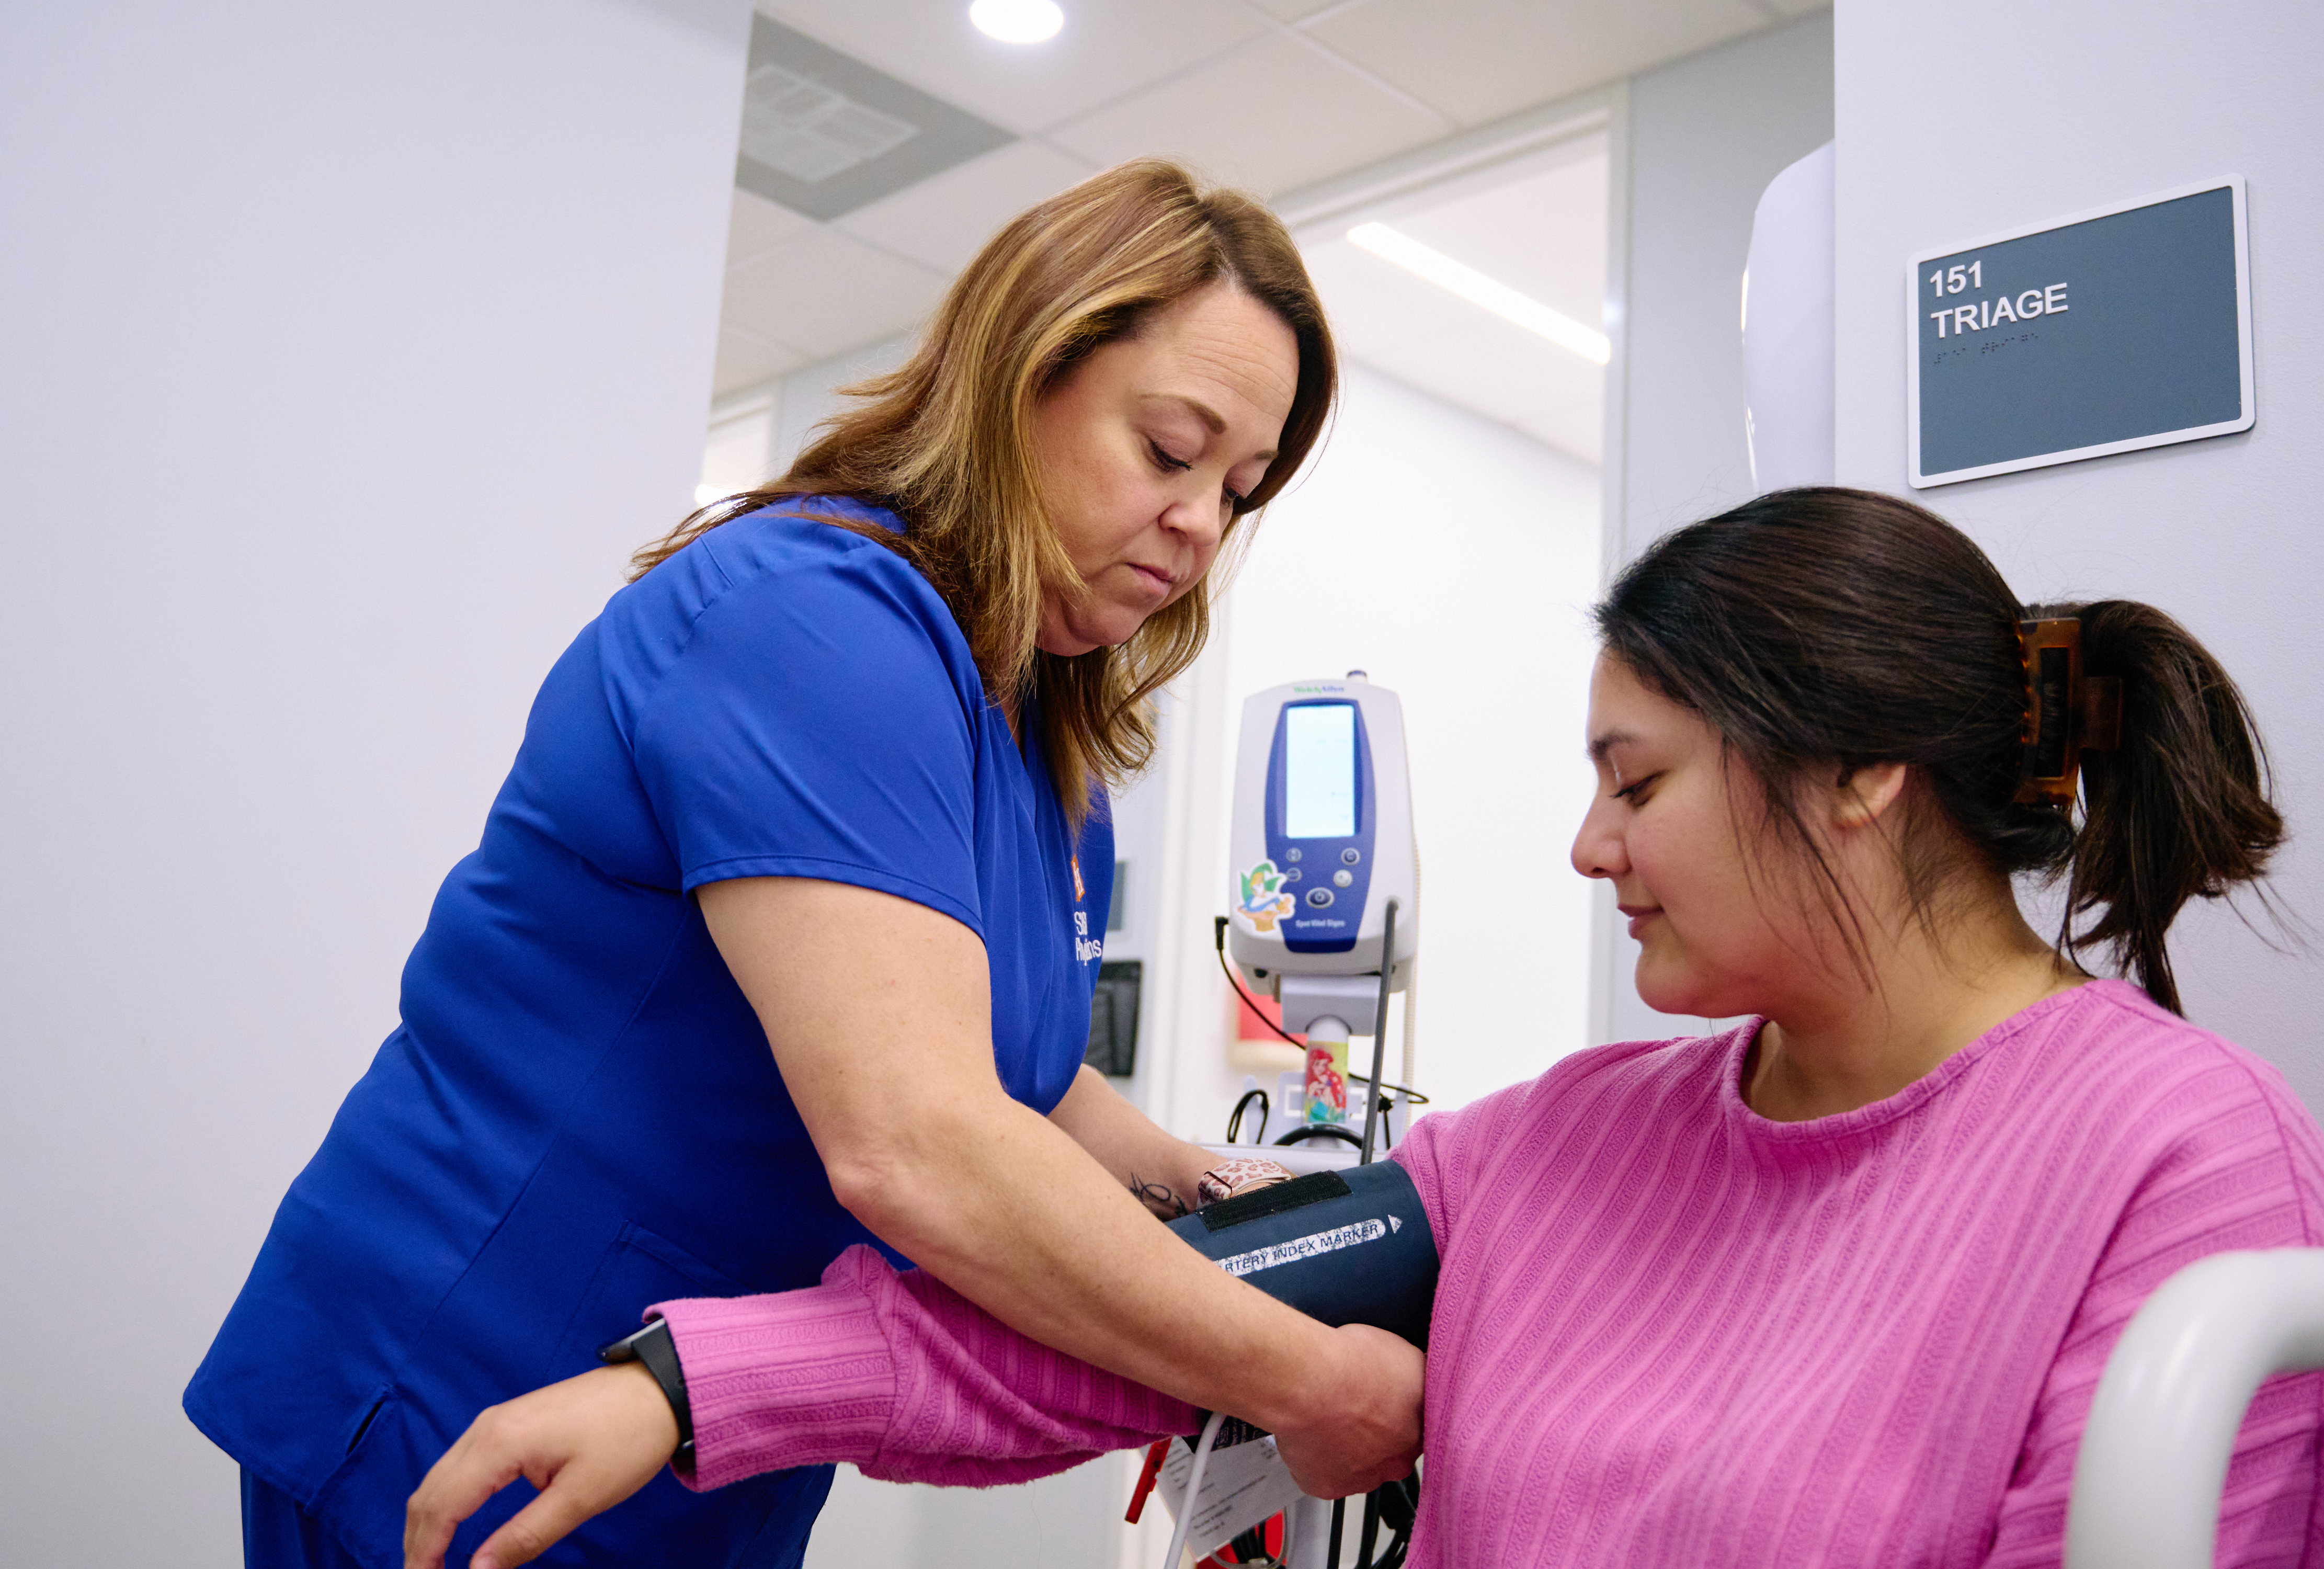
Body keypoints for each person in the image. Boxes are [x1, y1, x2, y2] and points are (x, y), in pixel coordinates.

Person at [405, 488, 2324, 1568]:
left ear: (1857, 773)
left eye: (1636, 780)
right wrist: (687, 1387)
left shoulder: (2182, 1168)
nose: (1586, 848)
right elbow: (1124, 1327)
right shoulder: (1554, 1147)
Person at [185, 158, 1425, 1569]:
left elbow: (997, 1057)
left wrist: (1200, 1184)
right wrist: (1302, 1381)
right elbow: (917, 1140)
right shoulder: (811, 622)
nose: (1201, 522)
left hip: (708, 1411)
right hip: (477, 1371)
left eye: (1238, 487)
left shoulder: (1032, 732)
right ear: (1022, 377)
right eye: (1167, 451)